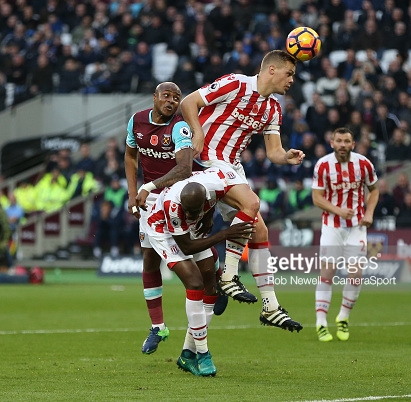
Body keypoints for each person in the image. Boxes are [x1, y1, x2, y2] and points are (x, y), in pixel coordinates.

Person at [181, 49, 304, 332]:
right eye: (289, 74)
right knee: (252, 203)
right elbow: (189, 102)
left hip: (232, 168)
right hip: (206, 161)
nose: (291, 81)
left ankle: (270, 307)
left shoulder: (273, 109)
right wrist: (197, 132)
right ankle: (229, 275)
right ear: (271, 70)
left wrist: (287, 157)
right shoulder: (236, 83)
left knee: (260, 232)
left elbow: (274, 151)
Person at [144, 167, 255, 376]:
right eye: (188, 211)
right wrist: (226, 233)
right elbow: (187, 247)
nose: (189, 214)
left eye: (194, 211)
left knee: (210, 289)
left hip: (192, 228)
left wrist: (208, 214)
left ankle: (187, 354)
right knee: (195, 283)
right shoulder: (174, 207)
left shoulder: (215, 186)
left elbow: (223, 196)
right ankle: (203, 354)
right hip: (163, 229)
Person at [125, 82, 209, 355]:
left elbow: (184, 169)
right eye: (166, 96)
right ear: (155, 98)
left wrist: (148, 187)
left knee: (199, 257)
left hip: (180, 198)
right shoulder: (136, 121)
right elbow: (130, 156)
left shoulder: (179, 127)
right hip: (149, 201)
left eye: (176, 97)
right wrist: (132, 193)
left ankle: (218, 283)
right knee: (149, 260)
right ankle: (158, 326)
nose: (172, 101)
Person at [311, 127, 379, 342]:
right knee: (327, 274)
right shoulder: (323, 164)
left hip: (357, 227)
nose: (342, 144)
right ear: (332, 143)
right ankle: (321, 322)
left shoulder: (364, 164)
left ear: (353, 144)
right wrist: (338, 210)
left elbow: (374, 190)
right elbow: (316, 197)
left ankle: (343, 317)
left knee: (356, 274)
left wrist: (369, 212)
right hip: (332, 226)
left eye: (346, 141)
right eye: (338, 140)